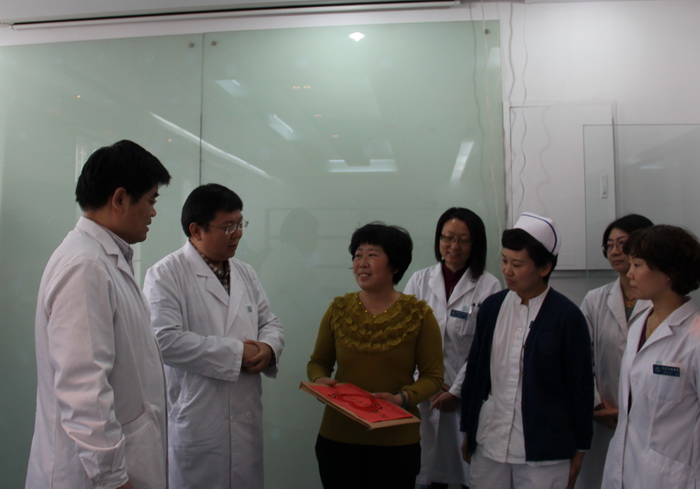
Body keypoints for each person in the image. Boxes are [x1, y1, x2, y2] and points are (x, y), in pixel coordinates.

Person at [25, 140, 172, 489]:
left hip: (120, 460)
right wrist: (112, 478)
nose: (153, 213)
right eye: (151, 201)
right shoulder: (85, 266)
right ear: (120, 199)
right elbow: (83, 388)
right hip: (92, 475)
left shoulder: (104, 259)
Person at [142, 183, 284, 489]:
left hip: (245, 417)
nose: (238, 234)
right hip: (197, 419)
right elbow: (163, 340)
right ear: (196, 230)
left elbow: (270, 322)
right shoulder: (166, 274)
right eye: (228, 227)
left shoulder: (245, 272)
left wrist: (268, 348)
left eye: (240, 224)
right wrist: (237, 354)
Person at [460, 212, 593, 489]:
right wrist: (468, 430)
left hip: (545, 452)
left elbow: (580, 386)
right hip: (490, 441)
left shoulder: (567, 317)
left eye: (517, 264)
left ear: (544, 268)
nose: (507, 270)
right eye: (504, 261)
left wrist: (581, 446)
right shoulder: (492, 308)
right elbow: (476, 373)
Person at [307, 222, 444, 489]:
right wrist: (320, 381)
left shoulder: (419, 315)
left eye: (372, 255)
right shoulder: (338, 309)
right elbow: (318, 362)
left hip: (396, 441)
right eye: (357, 255)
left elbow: (433, 376)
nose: (362, 263)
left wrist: (402, 398)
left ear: (395, 265)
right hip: (338, 438)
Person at [404, 207, 501, 489]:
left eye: (463, 240)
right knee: (426, 474)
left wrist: (458, 390)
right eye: (447, 237)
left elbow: (485, 348)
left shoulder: (489, 286)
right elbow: (405, 340)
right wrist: (424, 385)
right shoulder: (419, 281)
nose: (453, 246)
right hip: (423, 395)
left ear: (475, 244)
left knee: (464, 475)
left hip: (465, 399)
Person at [601, 225, 700, 489]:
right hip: (622, 469)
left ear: (669, 272)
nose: (629, 273)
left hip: (670, 477)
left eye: (638, 265)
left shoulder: (694, 339)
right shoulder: (639, 325)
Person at [575, 214, 653, 489]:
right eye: (609, 245)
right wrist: (597, 404)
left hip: (647, 418)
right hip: (603, 417)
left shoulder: (658, 300)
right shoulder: (595, 300)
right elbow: (580, 358)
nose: (615, 251)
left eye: (622, 243)